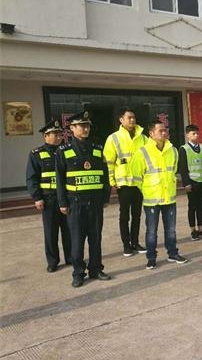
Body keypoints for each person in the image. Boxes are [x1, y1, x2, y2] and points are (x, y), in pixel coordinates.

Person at [55, 111, 111, 287]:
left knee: (95, 239)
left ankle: (96, 269)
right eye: (81, 126)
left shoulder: (97, 148)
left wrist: (106, 197)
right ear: (72, 128)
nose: (85, 129)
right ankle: (78, 273)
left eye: (87, 126)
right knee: (77, 241)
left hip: (95, 203)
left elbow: (104, 174)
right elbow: (59, 179)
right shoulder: (63, 151)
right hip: (75, 204)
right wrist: (62, 202)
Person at [132, 120, 188, 270]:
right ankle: (151, 258)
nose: (164, 133)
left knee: (171, 230)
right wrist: (148, 190)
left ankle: (173, 253)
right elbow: (137, 177)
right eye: (160, 131)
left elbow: (173, 170)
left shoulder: (173, 150)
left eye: (165, 130)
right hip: (152, 199)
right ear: (151, 133)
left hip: (169, 197)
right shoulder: (142, 152)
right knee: (151, 231)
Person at [26, 118, 71, 273]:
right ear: (45, 136)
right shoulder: (36, 154)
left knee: (69, 230)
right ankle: (53, 261)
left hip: (66, 198)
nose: (58, 137)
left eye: (60, 135)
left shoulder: (66, 151)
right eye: (54, 135)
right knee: (51, 232)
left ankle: (70, 257)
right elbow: (31, 177)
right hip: (49, 199)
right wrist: (37, 197)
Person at [103, 107, 147, 257]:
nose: (132, 120)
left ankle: (135, 243)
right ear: (121, 120)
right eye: (129, 117)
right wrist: (111, 181)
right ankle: (126, 245)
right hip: (123, 184)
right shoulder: (113, 138)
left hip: (139, 183)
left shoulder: (143, 138)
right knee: (124, 216)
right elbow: (109, 162)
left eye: (134, 117)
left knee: (137, 215)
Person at [178, 124, 202, 241]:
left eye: (197, 133)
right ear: (187, 135)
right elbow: (182, 168)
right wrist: (186, 183)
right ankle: (193, 230)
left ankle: (201, 228)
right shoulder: (184, 149)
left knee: (201, 206)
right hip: (192, 182)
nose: (196, 135)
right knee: (192, 206)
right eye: (193, 133)